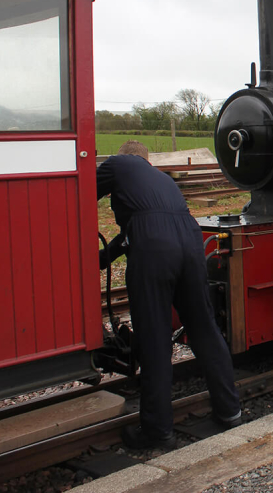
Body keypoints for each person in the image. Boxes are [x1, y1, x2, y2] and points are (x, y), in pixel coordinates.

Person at [98, 140, 243, 450]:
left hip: (154, 246)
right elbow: (133, 232)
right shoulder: (160, 180)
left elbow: (75, 194)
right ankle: (230, 411)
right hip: (189, 239)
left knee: (154, 338)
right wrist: (101, 259)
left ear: (124, 158)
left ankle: (157, 431)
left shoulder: (118, 163)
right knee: (203, 328)